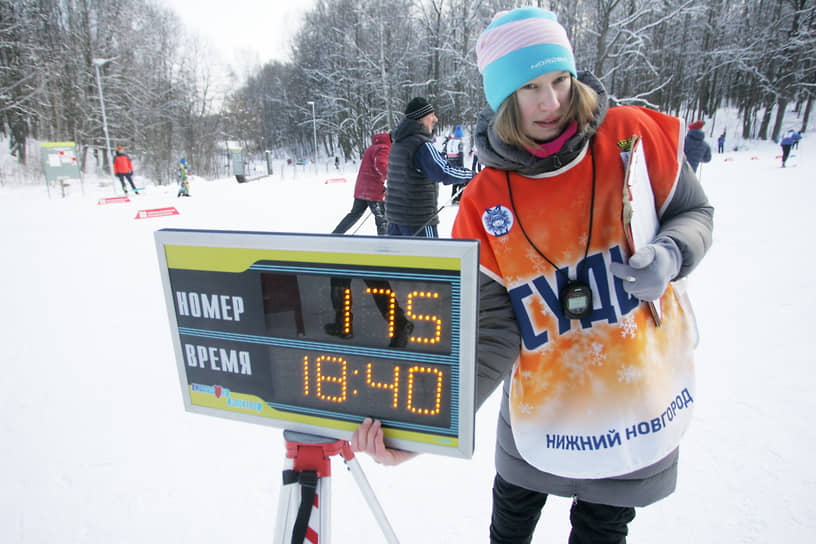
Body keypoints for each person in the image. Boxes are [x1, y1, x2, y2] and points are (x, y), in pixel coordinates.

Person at [352, 7, 714, 543]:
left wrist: (671, 253)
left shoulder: (629, 136)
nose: (551, 103)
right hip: (541, 413)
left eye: (560, 81)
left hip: (634, 401)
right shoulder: (484, 202)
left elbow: (694, 212)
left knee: (600, 531)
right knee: (510, 529)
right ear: (503, 98)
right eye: (530, 88)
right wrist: (424, 432)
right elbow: (494, 333)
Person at [385, 97, 474, 237]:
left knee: (399, 258)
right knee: (429, 259)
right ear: (420, 118)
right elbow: (443, 171)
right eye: (431, 116)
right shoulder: (421, 145)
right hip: (418, 222)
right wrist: (471, 176)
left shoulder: (399, 143)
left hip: (396, 220)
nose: (436, 119)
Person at [331, 132, 391, 236]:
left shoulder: (372, 147)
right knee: (382, 219)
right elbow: (380, 164)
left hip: (361, 187)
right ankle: (384, 243)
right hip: (373, 189)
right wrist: (391, 177)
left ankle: (336, 235)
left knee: (354, 214)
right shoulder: (384, 148)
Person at [447, 124, 466, 203]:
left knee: (454, 181)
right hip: (458, 163)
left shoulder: (450, 142)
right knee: (461, 181)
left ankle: (453, 197)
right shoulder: (459, 143)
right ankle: (459, 197)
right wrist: (462, 166)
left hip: (451, 163)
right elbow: (460, 154)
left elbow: (445, 152)